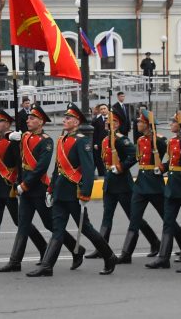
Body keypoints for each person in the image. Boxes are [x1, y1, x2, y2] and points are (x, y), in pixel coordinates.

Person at [28, 103, 117, 277]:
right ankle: (47, 266)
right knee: (57, 229)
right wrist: (51, 189)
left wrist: (85, 193)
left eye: (68, 118)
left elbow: (89, 169)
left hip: (75, 193)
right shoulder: (62, 139)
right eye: (65, 117)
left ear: (76, 122)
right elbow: (57, 168)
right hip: (61, 192)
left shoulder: (82, 140)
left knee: (86, 228)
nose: (64, 120)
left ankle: (109, 256)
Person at [0, 104, 85, 273]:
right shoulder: (24, 137)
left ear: (41, 122)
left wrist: (25, 185)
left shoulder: (47, 141)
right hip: (25, 189)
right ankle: (15, 261)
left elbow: (41, 168)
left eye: (32, 118)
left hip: (37, 189)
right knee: (23, 224)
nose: (28, 121)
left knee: (51, 224)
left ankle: (76, 248)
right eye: (28, 118)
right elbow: (11, 161)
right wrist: (12, 142)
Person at [0, 109, 47, 269]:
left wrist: (20, 184)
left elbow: (20, 165)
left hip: (9, 188)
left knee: (21, 222)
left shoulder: (15, 141)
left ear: (6, 124)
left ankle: (43, 248)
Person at [116, 109, 181, 264]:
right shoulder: (141, 140)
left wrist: (161, 166)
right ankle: (126, 254)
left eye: (141, 122)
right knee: (134, 219)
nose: (138, 124)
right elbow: (137, 158)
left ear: (148, 125)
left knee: (168, 220)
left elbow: (171, 160)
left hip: (155, 186)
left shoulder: (161, 141)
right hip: (141, 184)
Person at [85, 110, 160, 260]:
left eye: (110, 121)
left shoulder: (121, 139)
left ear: (117, 124)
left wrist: (121, 167)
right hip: (109, 184)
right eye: (106, 120)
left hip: (123, 185)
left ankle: (154, 242)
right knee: (107, 217)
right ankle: (102, 248)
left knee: (134, 218)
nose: (106, 122)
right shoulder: (106, 139)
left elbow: (134, 154)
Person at [145, 111, 181, 271]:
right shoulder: (172, 142)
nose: (171, 125)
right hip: (172, 188)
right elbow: (171, 162)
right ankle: (163, 258)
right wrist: (162, 168)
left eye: (173, 122)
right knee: (168, 223)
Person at [91, 103, 108, 176]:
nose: (103, 110)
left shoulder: (112, 118)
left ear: (107, 109)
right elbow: (95, 134)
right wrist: (95, 143)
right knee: (100, 161)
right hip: (100, 144)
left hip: (110, 144)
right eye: (101, 109)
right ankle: (102, 175)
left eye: (104, 109)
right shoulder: (97, 120)